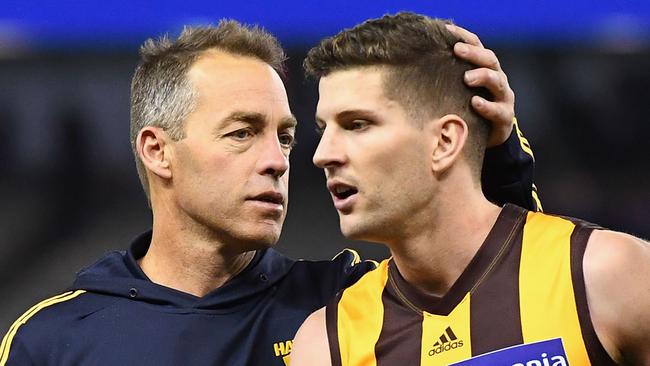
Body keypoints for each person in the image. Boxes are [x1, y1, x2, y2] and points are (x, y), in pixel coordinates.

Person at [1, 19, 538, 366]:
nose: (277, 161)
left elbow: (518, 306)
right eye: (241, 133)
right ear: (157, 150)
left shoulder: (348, 300)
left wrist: (497, 155)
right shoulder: (51, 343)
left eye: (284, 137)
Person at [291, 12, 650, 366]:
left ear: (445, 141)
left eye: (357, 125)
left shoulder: (608, 276)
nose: (323, 155)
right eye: (325, 130)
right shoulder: (326, 343)